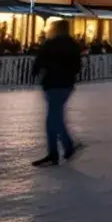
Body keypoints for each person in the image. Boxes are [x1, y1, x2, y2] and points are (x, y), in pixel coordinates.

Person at [30, 20, 82, 167]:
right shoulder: (73, 45)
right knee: (53, 119)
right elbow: (78, 66)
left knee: (53, 119)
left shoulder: (50, 44)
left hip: (53, 84)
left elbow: (39, 61)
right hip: (66, 85)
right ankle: (58, 150)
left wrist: (36, 72)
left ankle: (64, 148)